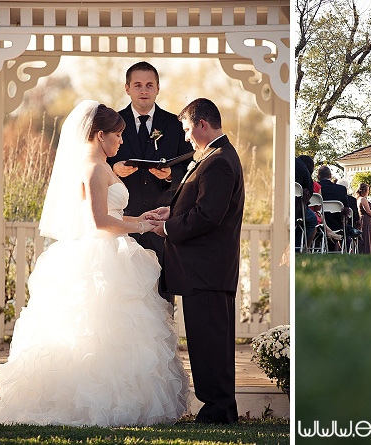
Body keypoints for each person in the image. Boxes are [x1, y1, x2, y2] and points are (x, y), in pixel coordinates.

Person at [0, 101, 189, 426]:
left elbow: (110, 215)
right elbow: (99, 223)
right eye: (118, 136)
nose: (122, 142)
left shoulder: (103, 167)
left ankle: (125, 400)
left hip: (114, 252)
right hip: (101, 259)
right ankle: (97, 402)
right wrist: (141, 227)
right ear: (101, 135)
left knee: (119, 332)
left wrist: (140, 217)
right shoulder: (95, 169)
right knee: (99, 331)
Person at [148, 98, 243, 423]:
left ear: (203, 124)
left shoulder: (218, 161)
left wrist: (167, 228)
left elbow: (208, 216)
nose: (186, 137)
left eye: (188, 129)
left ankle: (218, 410)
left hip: (208, 269)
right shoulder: (214, 157)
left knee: (210, 343)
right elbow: (201, 204)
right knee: (208, 342)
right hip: (207, 270)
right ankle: (221, 408)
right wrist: (171, 211)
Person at [108, 62, 193, 304]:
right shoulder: (113, 123)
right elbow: (97, 162)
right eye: (137, 85)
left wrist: (169, 175)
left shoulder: (175, 125)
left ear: (158, 89)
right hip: (123, 223)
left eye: (149, 85)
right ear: (127, 89)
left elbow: (190, 169)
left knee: (162, 295)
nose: (143, 90)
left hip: (161, 224)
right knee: (123, 297)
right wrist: (114, 169)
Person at [316, 166, 355, 250]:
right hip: (337, 224)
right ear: (330, 175)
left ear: (318, 176)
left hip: (319, 223)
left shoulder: (315, 187)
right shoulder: (341, 189)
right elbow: (346, 208)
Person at [356, 183, 371, 255]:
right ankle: (368, 252)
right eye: (368, 190)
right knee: (367, 237)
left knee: (366, 237)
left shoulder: (358, 199)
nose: (368, 192)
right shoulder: (362, 199)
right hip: (366, 221)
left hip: (365, 219)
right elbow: (368, 211)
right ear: (364, 191)